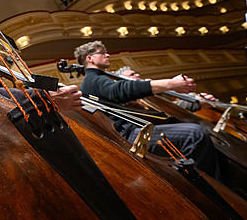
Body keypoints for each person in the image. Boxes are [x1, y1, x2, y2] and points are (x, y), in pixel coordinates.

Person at [74, 41, 220, 179]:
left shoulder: (97, 79)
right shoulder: (93, 79)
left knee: (194, 133)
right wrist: (170, 83)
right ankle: (197, 186)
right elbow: (118, 90)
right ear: (90, 58)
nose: (108, 55)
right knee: (195, 134)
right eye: (102, 53)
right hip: (129, 137)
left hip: (132, 132)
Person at [115, 66, 217, 112]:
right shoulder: (133, 100)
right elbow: (167, 110)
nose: (137, 74)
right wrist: (196, 103)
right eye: (132, 74)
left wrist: (197, 100)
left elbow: (170, 106)